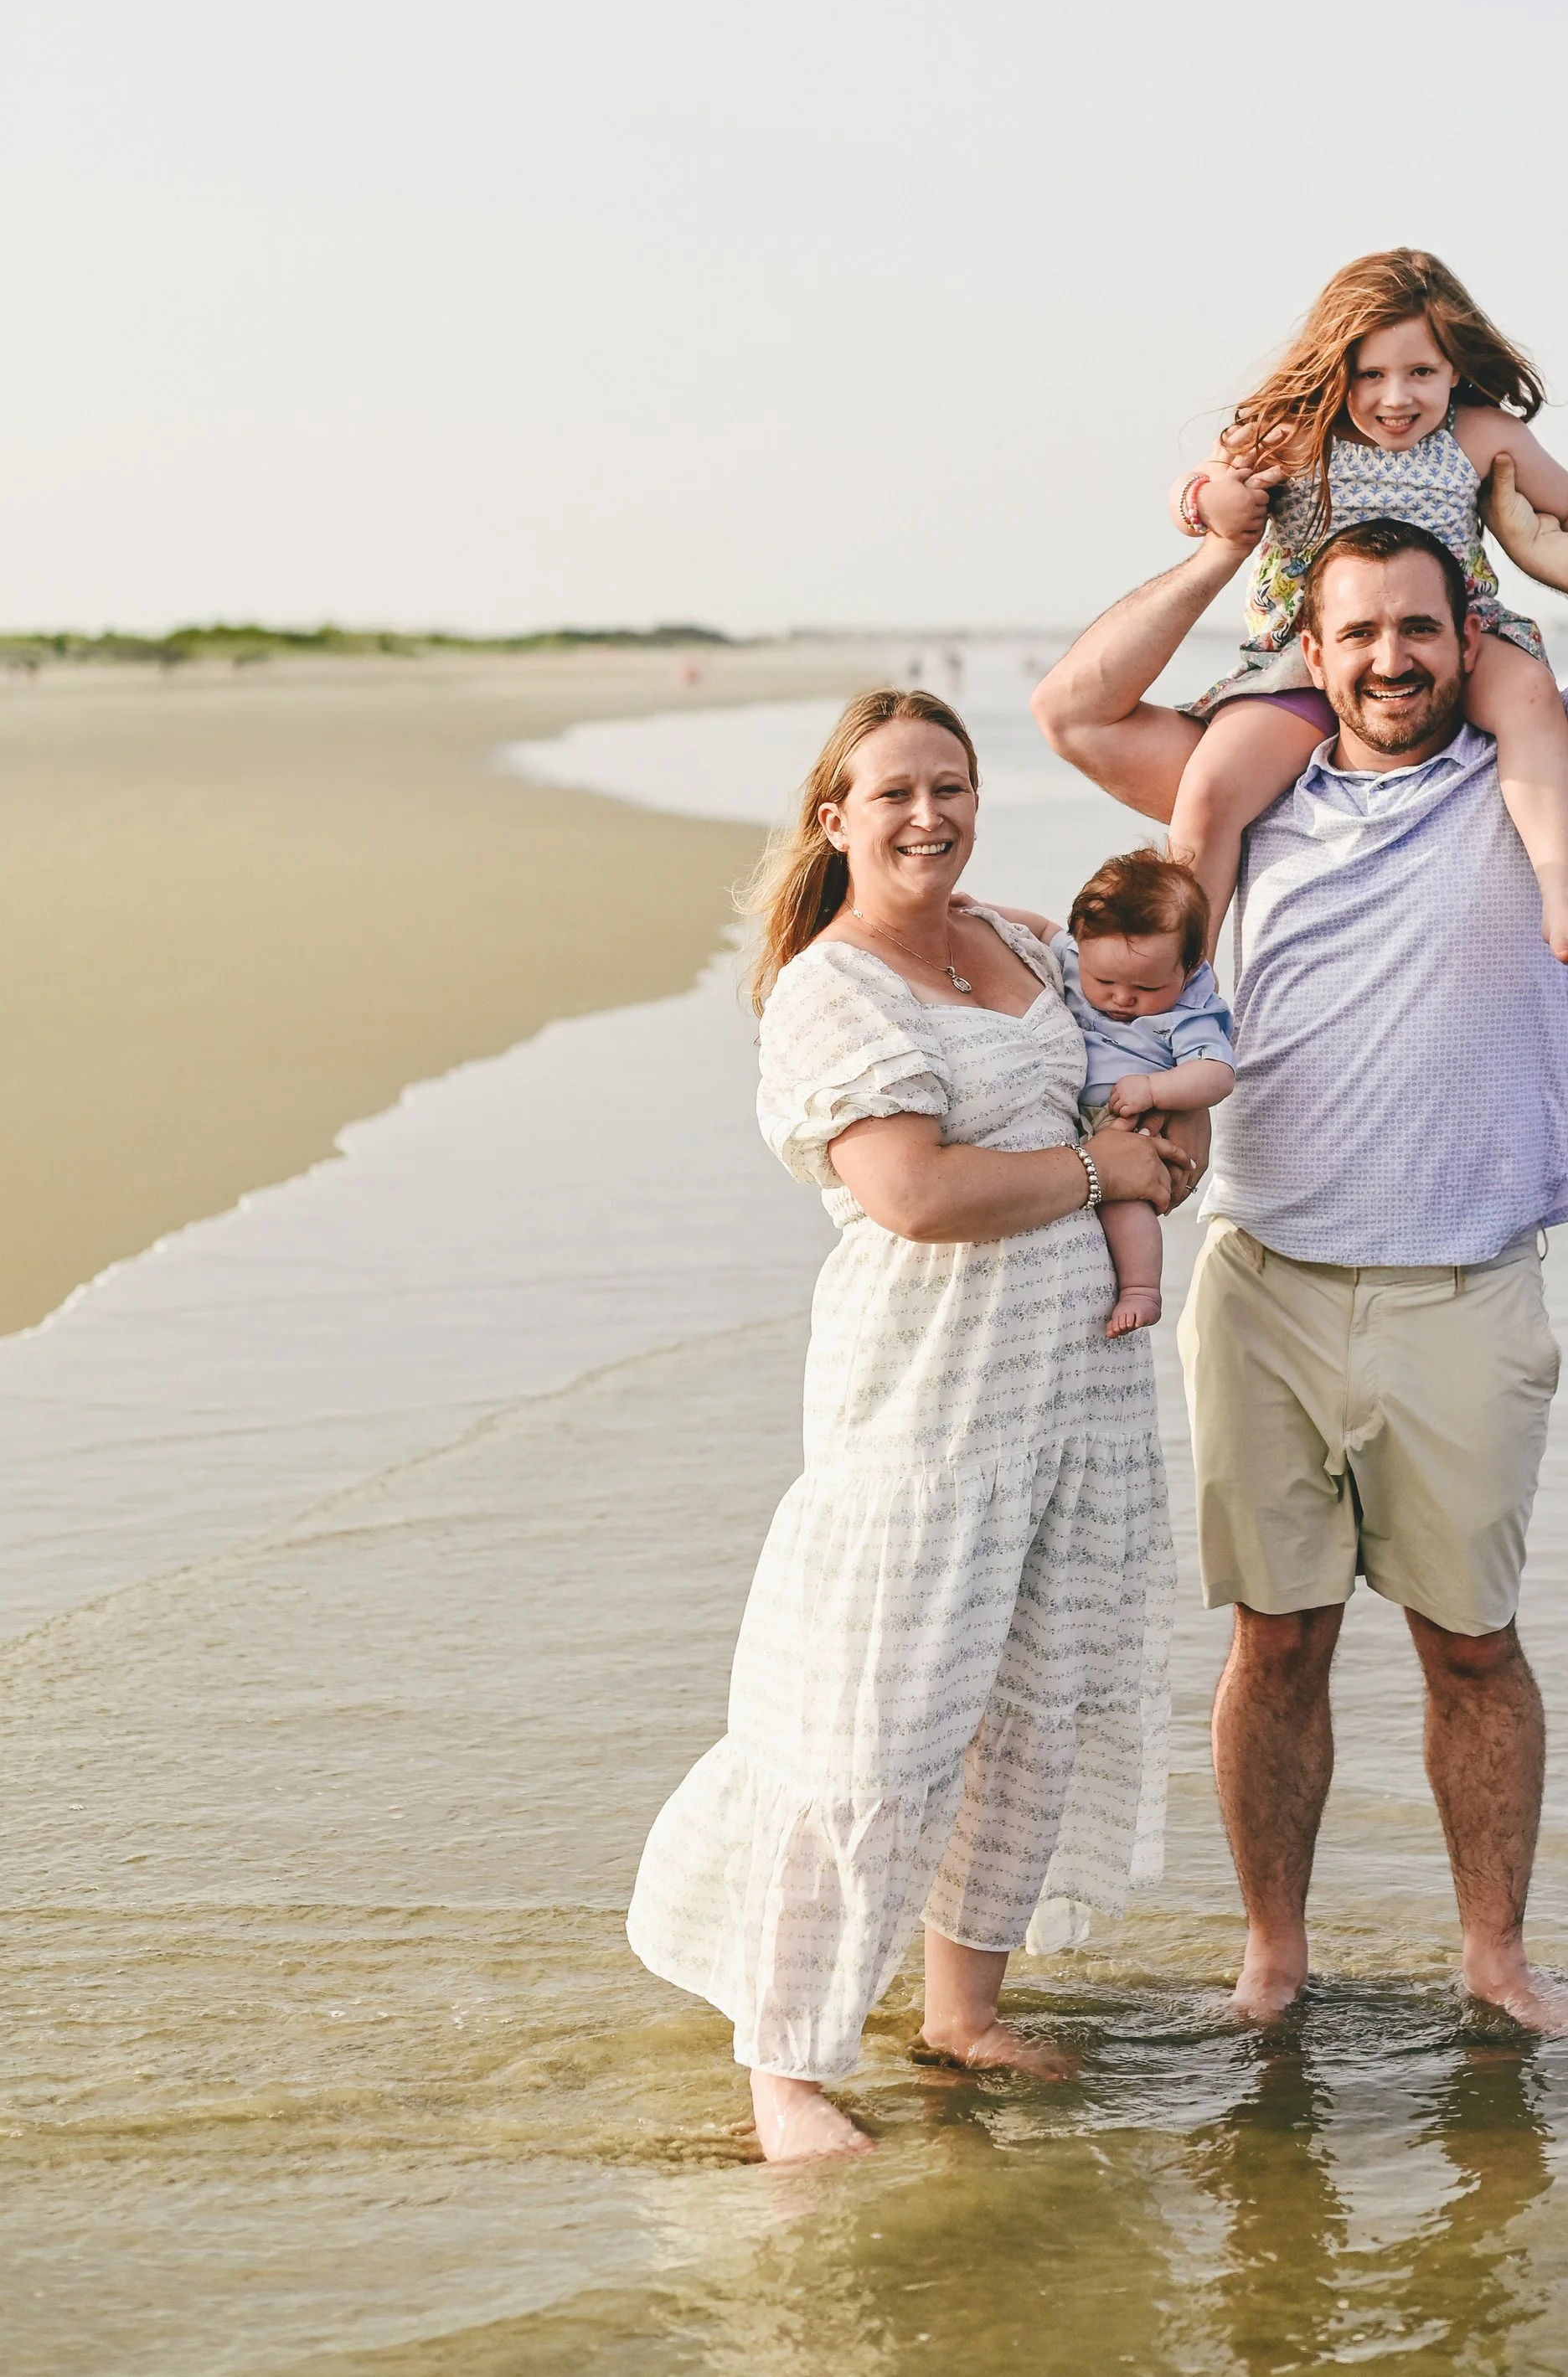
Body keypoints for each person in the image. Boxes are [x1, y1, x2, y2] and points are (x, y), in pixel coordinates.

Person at [1032, 469, 1568, 2034]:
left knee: (1472, 1647)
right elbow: (1079, 706)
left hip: (1466, 1291)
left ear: (1463, 632)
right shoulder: (1249, 783)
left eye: (1420, 626)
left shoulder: (1542, 774)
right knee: (1271, 1642)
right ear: (1315, 644)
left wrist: (1548, 541)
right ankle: (1271, 1959)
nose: (1391, 658)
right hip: (1265, 1284)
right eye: (1357, 632)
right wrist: (1226, 548)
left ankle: (1496, 1958)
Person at [626, 689, 1192, 2161]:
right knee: (872, 1724)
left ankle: (961, 2010)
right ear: (836, 818)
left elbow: (1153, 1049)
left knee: (1031, 1707)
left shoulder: (1022, 941)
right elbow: (918, 1195)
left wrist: (1162, 1155)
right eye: (895, 793)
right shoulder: (832, 988)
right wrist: (1097, 1170)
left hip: (1080, 1388)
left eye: (953, 784)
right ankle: (788, 2065)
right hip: (928, 1400)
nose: (930, 814)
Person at [1164, 245, 1568, 967]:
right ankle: (1186, 981)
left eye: (1422, 372)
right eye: (1371, 374)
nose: (1397, 398)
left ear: (1456, 367)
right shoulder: (1293, 436)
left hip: (1454, 635)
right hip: (1303, 652)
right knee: (1209, 788)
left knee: (1533, 702)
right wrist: (1212, 500)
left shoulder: (1481, 438)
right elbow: (1191, 489)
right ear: (1335, 369)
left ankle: (1562, 887)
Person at [985, 847, 1237, 1339]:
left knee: (1125, 1201)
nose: (1122, 998)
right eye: (1105, 982)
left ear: (1186, 971)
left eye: (1145, 987)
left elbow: (1216, 1074)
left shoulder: (1188, 1009)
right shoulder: (1079, 955)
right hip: (1066, 1113)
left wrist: (1155, 1087)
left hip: (1128, 1118)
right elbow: (1036, 929)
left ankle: (1142, 1289)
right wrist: (980, 914)